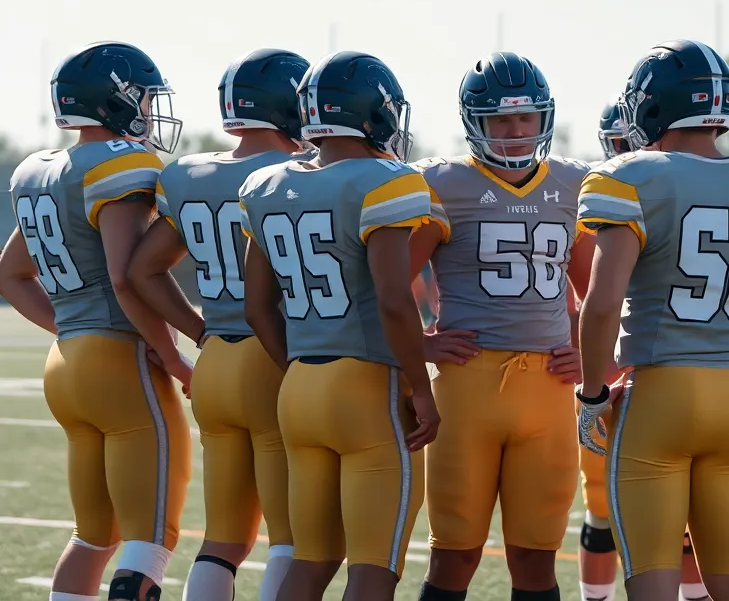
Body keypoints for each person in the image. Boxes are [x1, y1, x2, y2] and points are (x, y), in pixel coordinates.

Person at [575, 39, 729, 601]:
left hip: (659, 394)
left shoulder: (631, 176)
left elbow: (601, 303)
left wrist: (591, 394)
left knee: (652, 579)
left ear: (652, 107)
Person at [240, 50, 438, 601]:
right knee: (373, 568)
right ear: (376, 114)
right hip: (366, 387)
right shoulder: (384, 181)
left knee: (311, 560)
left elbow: (258, 308)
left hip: (300, 384)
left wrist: (304, 368)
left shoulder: (266, 185)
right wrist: (420, 389)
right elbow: (396, 302)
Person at [0, 41, 192, 601]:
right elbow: (128, 275)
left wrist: (70, 330)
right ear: (118, 101)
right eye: (146, 100)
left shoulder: (39, 170)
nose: (153, 113)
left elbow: (10, 275)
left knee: (93, 536)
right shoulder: (121, 166)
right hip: (120, 359)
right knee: (151, 537)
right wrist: (176, 355)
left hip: (68, 365)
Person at [409, 52, 593, 601]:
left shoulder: (574, 182)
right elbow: (386, 282)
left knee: (536, 562)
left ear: (544, 119)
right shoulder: (440, 183)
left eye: (525, 118)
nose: (515, 131)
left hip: (550, 389)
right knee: (455, 557)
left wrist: (586, 349)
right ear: (474, 123)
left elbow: (594, 288)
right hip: (468, 385)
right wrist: (421, 344)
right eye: (500, 120)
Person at [127, 48, 310, 601]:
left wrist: (197, 327)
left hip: (217, 362)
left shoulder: (187, 173)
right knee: (291, 539)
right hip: (273, 356)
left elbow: (142, 268)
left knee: (224, 537)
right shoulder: (295, 176)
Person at [577, 99, 709, 601]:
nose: (630, 152)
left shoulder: (647, 190)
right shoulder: (604, 192)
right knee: (603, 508)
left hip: (657, 370)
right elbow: (583, 295)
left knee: (683, 522)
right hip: (628, 365)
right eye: (619, 144)